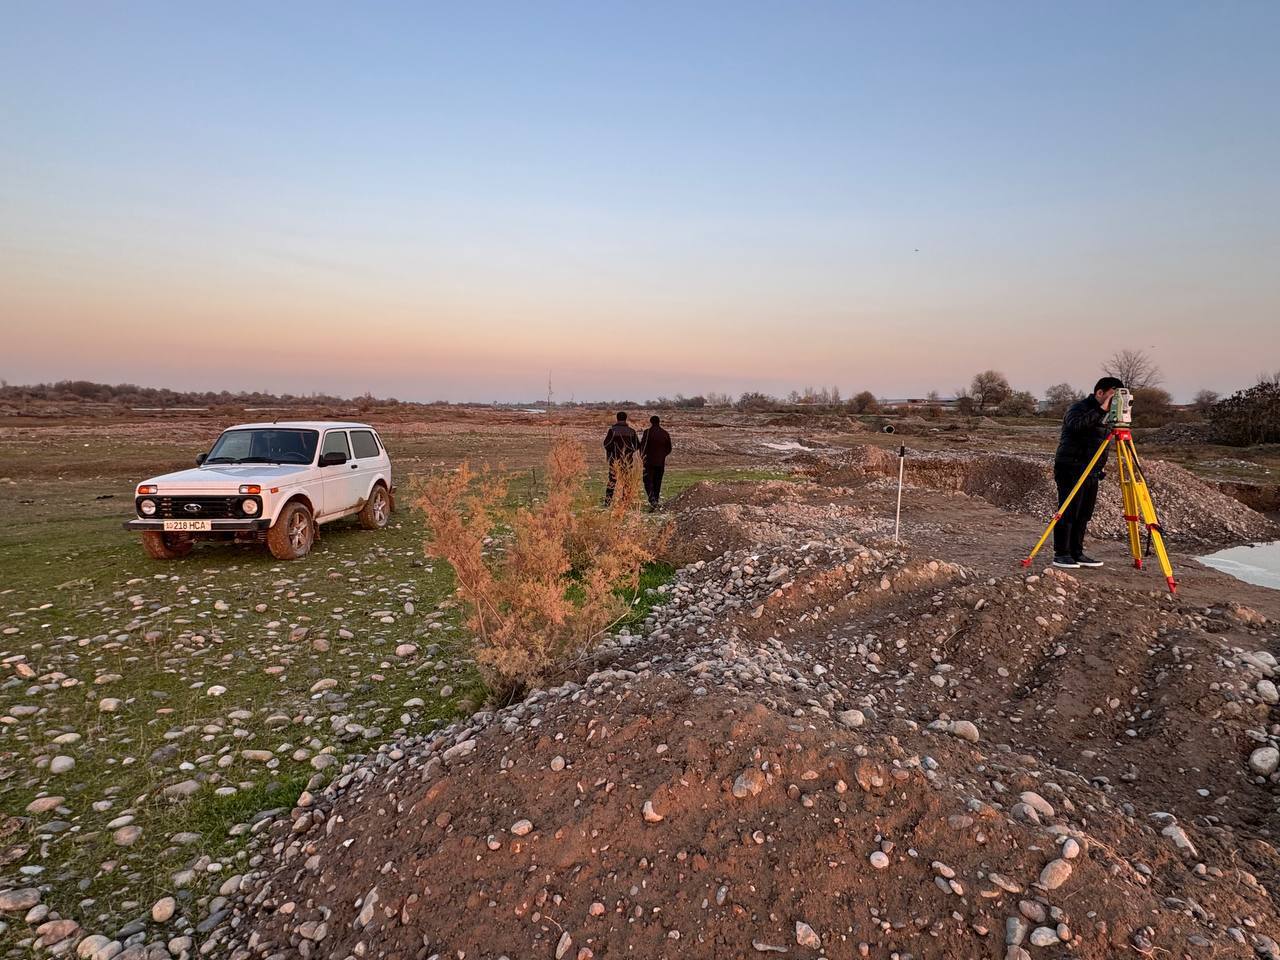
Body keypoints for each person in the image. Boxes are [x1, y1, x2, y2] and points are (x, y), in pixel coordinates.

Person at [1052, 376, 1123, 569]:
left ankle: (1077, 552)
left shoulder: (1108, 413)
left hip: (1092, 471)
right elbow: (1076, 426)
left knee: (1084, 514)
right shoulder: (1078, 408)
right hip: (1071, 467)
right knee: (1069, 511)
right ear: (1099, 393)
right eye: (1111, 396)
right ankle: (1061, 554)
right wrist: (1101, 410)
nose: (1113, 401)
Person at [602, 411, 639, 505]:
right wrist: (629, 452)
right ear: (626, 419)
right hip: (628, 460)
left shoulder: (612, 430)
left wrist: (613, 452)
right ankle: (625, 500)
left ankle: (608, 501)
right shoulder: (631, 431)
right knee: (627, 481)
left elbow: (606, 444)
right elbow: (637, 445)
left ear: (617, 418)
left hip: (614, 460)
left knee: (612, 481)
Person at [639, 415, 673, 509]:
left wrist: (643, 457)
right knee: (657, 481)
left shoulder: (647, 432)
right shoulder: (665, 433)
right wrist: (662, 456)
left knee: (647, 481)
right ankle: (656, 500)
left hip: (648, 462)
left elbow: (642, 446)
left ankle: (652, 499)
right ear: (659, 422)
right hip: (660, 462)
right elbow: (669, 448)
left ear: (651, 422)